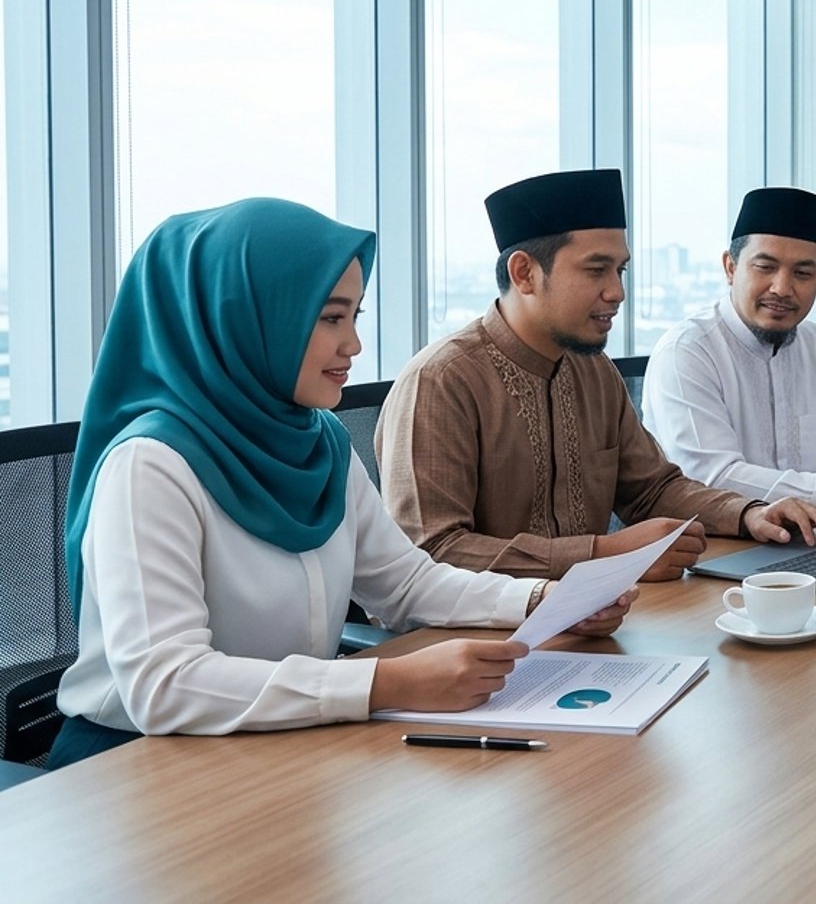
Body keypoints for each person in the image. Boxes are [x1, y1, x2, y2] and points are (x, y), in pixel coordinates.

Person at [52, 199, 631, 768]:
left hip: (281, 744)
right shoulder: (151, 465)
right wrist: (387, 681)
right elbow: (162, 683)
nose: (352, 344)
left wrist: (541, 600)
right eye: (331, 317)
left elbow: (405, 584)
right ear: (247, 317)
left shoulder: (319, 439)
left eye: (355, 316)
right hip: (135, 764)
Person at [378, 170, 816, 581]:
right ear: (524, 273)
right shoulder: (442, 381)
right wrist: (604, 555)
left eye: (620, 270)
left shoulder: (593, 371)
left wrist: (748, 514)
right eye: (596, 270)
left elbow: (653, 490)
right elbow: (432, 552)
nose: (617, 292)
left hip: (591, 616)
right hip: (468, 636)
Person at [645, 186, 816, 509]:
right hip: (711, 538)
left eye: (802, 273)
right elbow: (713, 478)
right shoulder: (687, 352)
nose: (782, 288)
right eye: (765, 267)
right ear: (730, 267)